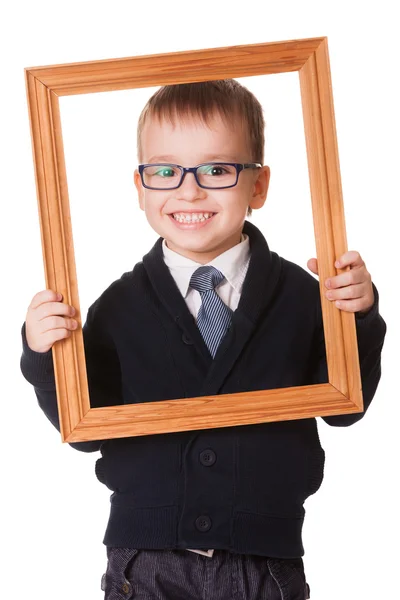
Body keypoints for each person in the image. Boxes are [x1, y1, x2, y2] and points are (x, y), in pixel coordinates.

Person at [20, 79, 387, 600]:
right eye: (166, 172)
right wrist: (44, 353)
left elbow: (345, 407)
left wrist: (359, 314)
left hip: (265, 562)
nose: (189, 191)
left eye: (217, 169)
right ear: (141, 187)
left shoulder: (306, 295)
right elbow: (83, 428)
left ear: (257, 186)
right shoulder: (116, 306)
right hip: (146, 563)